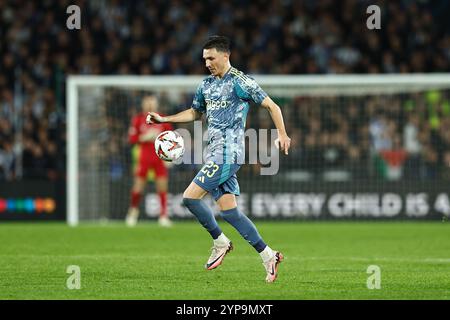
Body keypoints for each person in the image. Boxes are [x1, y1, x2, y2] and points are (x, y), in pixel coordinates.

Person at [146, 36, 291, 283]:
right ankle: (269, 255)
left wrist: (282, 133)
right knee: (230, 212)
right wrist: (163, 119)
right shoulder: (205, 85)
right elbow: (195, 112)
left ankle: (220, 241)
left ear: (225, 55)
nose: (207, 63)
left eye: (211, 58)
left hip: (229, 154)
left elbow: (272, 106)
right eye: (204, 59)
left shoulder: (241, 82)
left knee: (189, 198)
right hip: (215, 153)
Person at [126, 95, 173, 227]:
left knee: (162, 186)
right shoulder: (138, 119)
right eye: (147, 103)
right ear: (143, 105)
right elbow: (132, 139)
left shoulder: (163, 119)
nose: (150, 105)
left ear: (157, 105)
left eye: (152, 103)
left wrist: (169, 157)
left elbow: (172, 140)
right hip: (144, 157)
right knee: (138, 186)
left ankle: (163, 216)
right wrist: (144, 137)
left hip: (159, 158)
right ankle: (133, 212)